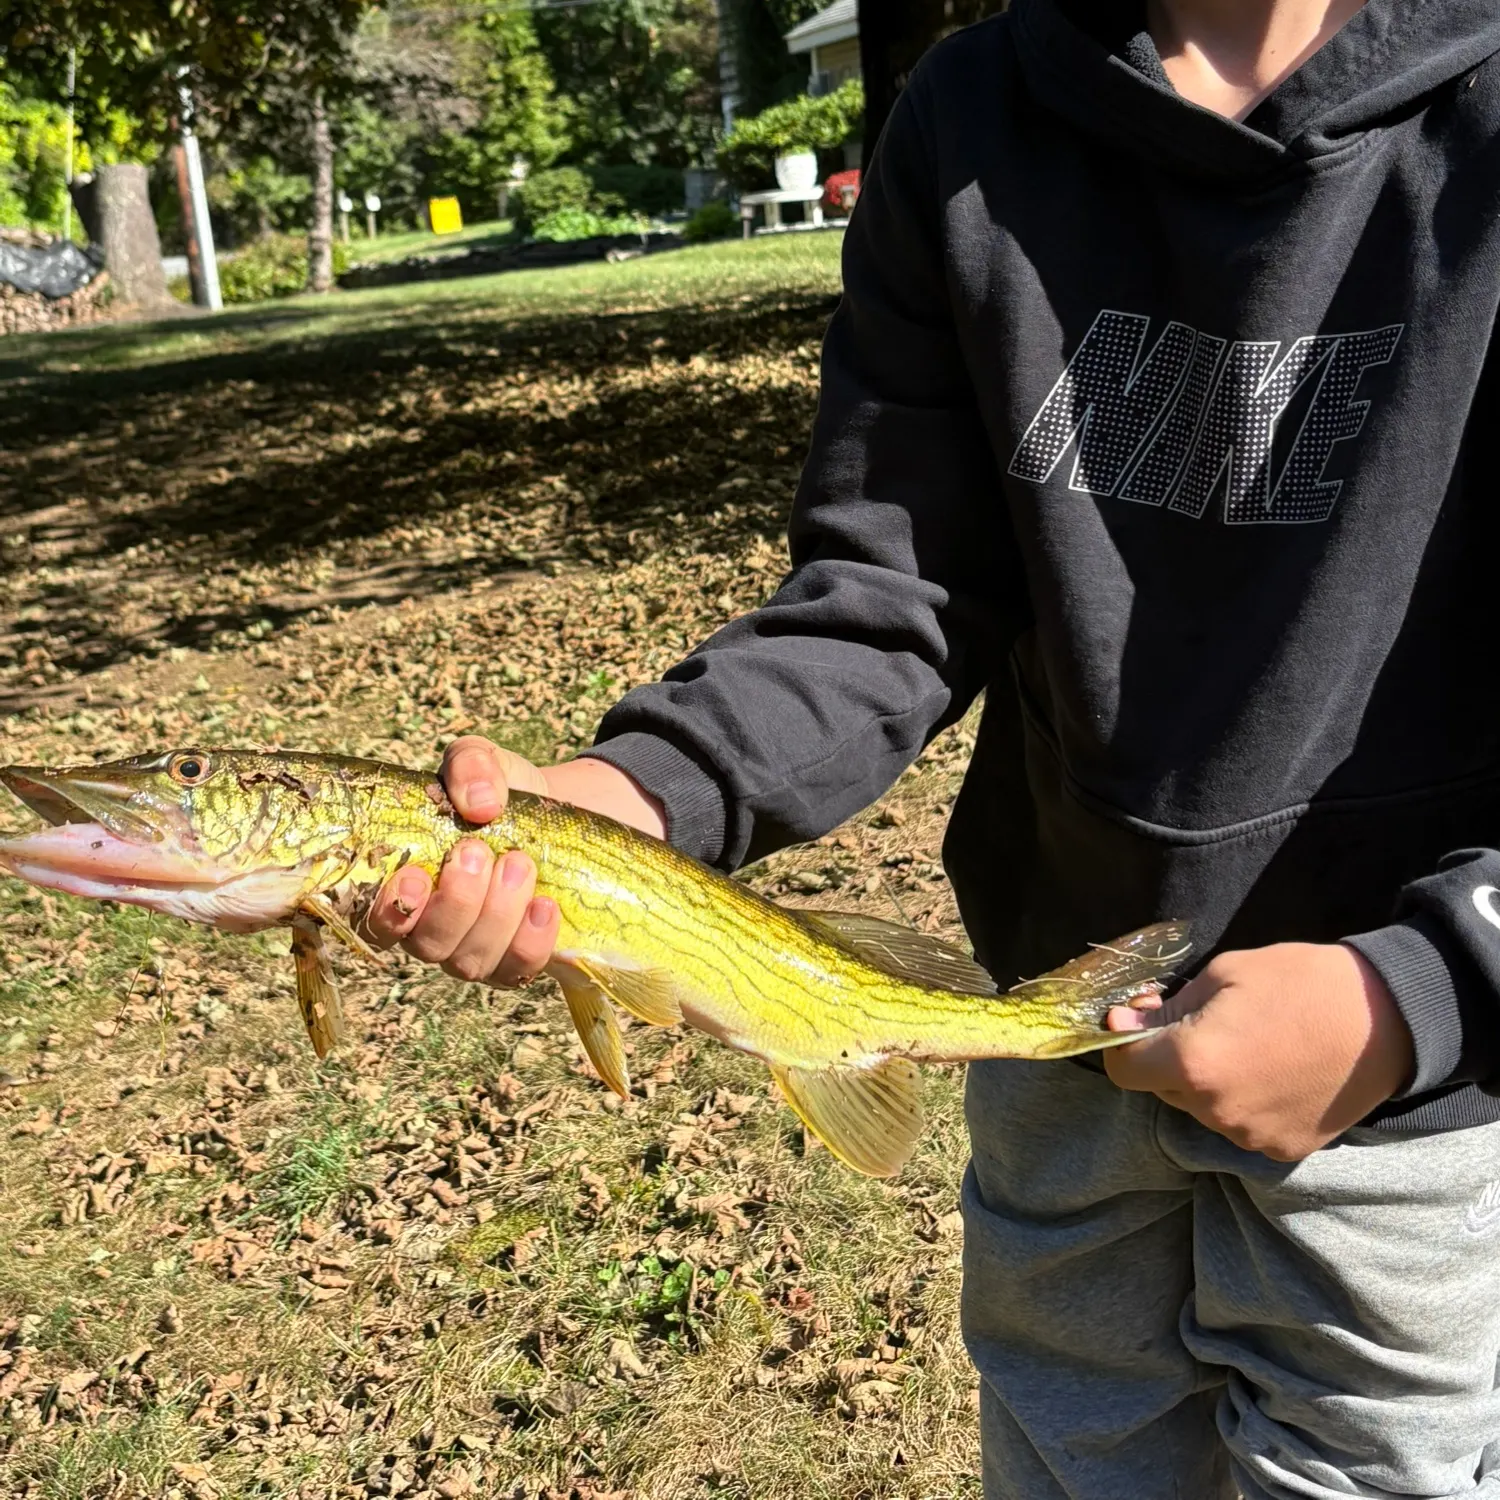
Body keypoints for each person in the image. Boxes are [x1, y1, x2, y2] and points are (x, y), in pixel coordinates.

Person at [367, 0, 1500, 1493]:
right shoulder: (969, 118)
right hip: (1046, 1021)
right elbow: (890, 592)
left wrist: (1422, 992)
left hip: (1403, 1078)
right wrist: (637, 794)